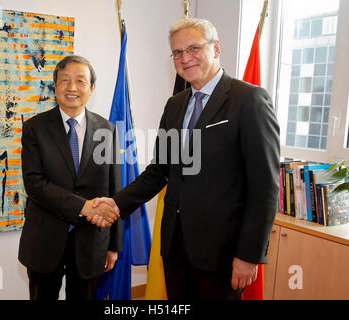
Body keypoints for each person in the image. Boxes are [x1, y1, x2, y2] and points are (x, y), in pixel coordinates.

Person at [90, 18, 280, 300]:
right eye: (177, 52)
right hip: (175, 246)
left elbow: (265, 186)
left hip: (222, 253)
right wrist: (115, 203)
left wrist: (249, 254)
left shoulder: (249, 99)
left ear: (215, 48)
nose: (185, 58)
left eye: (193, 48)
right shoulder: (176, 104)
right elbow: (159, 171)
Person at [18, 55, 122, 300]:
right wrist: (82, 207)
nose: (72, 88)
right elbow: (34, 184)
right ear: (55, 86)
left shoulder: (107, 129)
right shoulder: (35, 128)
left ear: (92, 88)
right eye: (64, 80)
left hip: (91, 241)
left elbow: (113, 190)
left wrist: (113, 244)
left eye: (80, 81)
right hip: (45, 240)